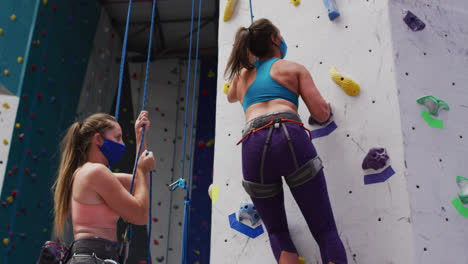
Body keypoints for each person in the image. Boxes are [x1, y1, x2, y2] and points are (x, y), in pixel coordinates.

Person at [225, 18, 347, 264]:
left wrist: (251, 60)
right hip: (289, 135)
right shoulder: (293, 69)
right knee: (325, 231)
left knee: (277, 232)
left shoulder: (240, 78)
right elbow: (320, 114)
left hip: (252, 144)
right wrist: (328, 109)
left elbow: (229, 97)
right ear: (274, 39)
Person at [52, 111, 155, 263]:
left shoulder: (89, 173)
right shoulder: (95, 172)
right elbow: (140, 215)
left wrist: (141, 139)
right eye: (117, 138)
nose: (122, 144)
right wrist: (143, 169)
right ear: (98, 139)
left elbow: (139, 185)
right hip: (93, 257)